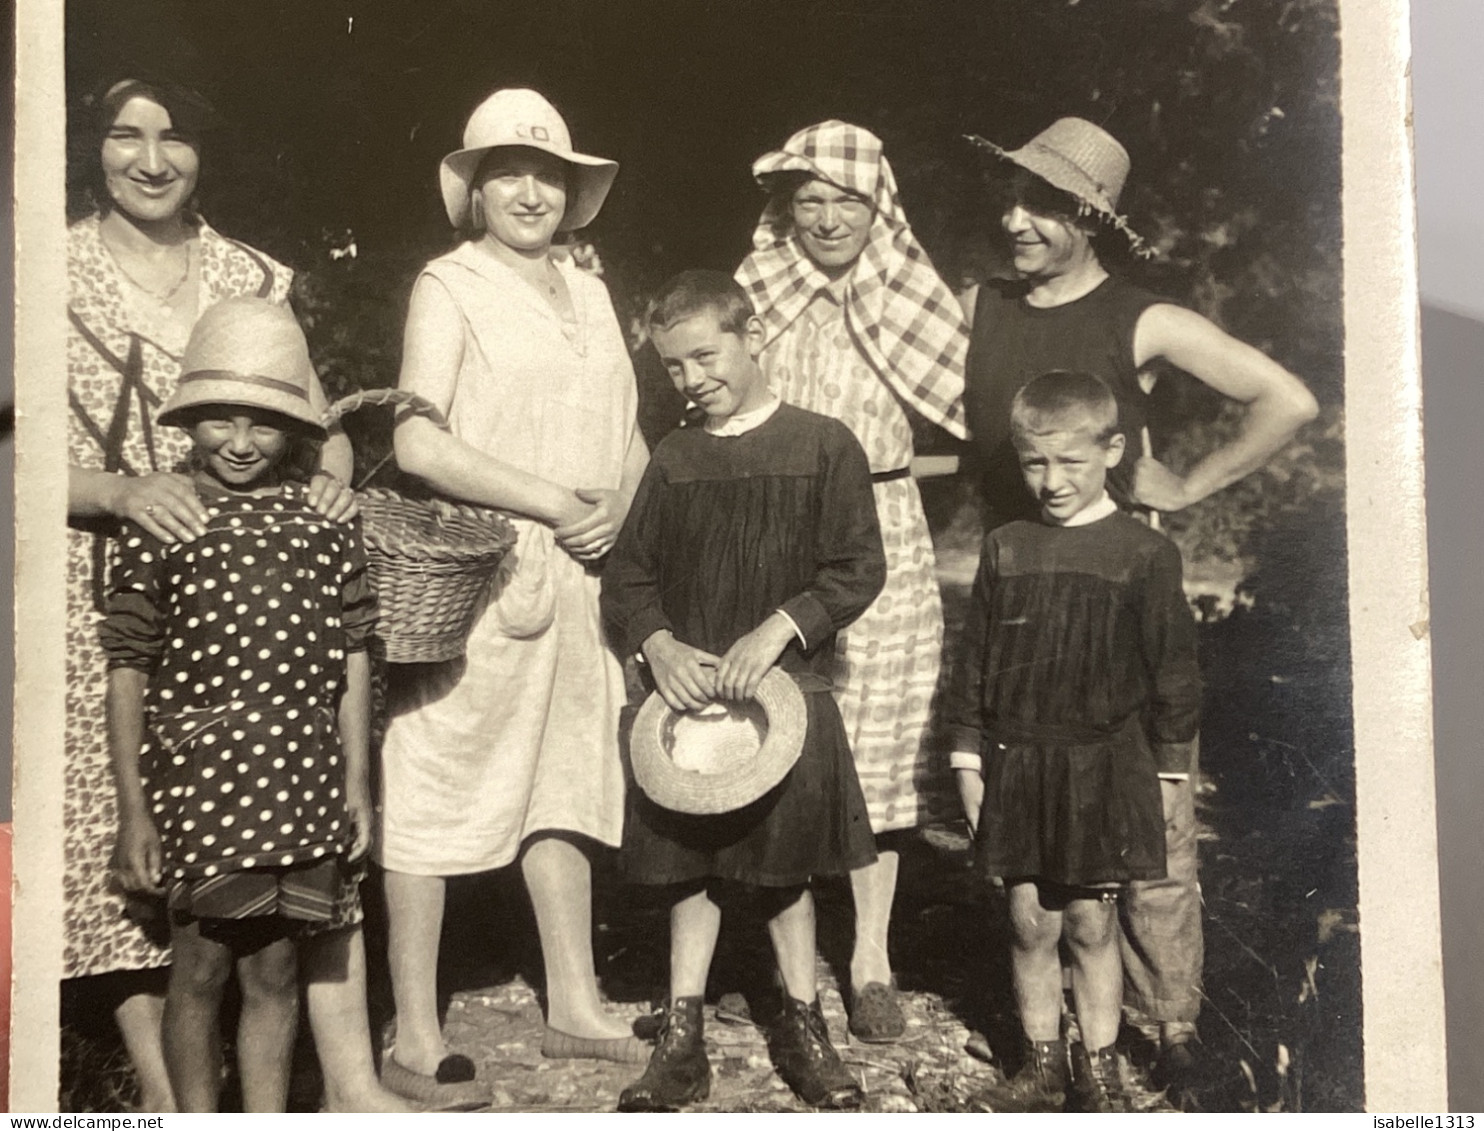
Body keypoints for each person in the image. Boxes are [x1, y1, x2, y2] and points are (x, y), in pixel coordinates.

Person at [959, 117, 1320, 1087]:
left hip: (1120, 607)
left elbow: (1285, 399)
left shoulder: (1140, 319)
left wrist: (1190, 485)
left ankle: (1169, 1032)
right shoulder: (976, 308)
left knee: (1149, 834)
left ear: (1088, 217)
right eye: (1010, 199)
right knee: (1036, 839)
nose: (1015, 220)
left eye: (1040, 204)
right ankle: (1060, 1043)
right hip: (1020, 609)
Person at [65, 76, 354, 1110]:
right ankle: (164, 1093)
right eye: (123, 135)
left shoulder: (252, 276)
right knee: (167, 922)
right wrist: (116, 490)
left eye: (173, 135)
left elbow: (315, 425)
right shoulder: (42, 267)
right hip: (111, 609)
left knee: (267, 952)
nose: (149, 158)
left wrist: (329, 490)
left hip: (275, 705)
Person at [376, 88, 649, 1106]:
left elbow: (627, 426)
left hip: (588, 569)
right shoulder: (447, 285)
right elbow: (416, 436)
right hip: (486, 564)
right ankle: (410, 1026)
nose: (530, 190)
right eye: (506, 172)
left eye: (548, 173)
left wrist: (620, 505)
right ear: (474, 190)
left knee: (566, 776)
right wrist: (549, 501)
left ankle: (572, 1004)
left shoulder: (590, 287)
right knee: (438, 772)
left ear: (573, 192)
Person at [102, 298, 406, 1112]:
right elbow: (127, 668)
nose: (240, 443)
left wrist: (357, 785)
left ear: (295, 433)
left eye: (265, 425)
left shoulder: (323, 523)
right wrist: (135, 809)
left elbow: (351, 660)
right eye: (220, 422)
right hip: (204, 784)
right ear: (191, 419)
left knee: (274, 970)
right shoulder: (164, 522)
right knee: (199, 969)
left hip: (300, 781)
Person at [602, 271, 885, 1112]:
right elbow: (628, 576)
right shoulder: (676, 458)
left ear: (751, 334)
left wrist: (779, 629)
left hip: (784, 691)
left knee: (781, 866)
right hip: (691, 699)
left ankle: (804, 1024)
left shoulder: (824, 444)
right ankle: (683, 1036)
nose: (691, 378)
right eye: (673, 366)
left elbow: (856, 568)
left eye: (705, 354)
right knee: (690, 860)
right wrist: (659, 643)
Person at [736, 120, 968, 1041]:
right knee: (782, 725)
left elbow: (967, 417)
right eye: (811, 199)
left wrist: (899, 484)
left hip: (885, 531)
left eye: (847, 200)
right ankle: (789, 971)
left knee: (881, 738)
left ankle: (870, 958)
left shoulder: (913, 294)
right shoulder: (757, 288)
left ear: (880, 205)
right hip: (776, 528)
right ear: (785, 206)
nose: (829, 218)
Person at [946, 371, 1202, 1113]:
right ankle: (1042, 1061)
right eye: (1035, 463)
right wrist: (967, 754)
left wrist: (1168, 773)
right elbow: (976, 662)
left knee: (1092, 920)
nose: (1051, 481)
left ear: (1112, 450)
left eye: (1071, 463)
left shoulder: (1143, 553)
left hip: (1104, 765)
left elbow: (1174, 675)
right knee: (1030, 918)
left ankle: (1098, 1064)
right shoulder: (1006, 547)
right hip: (1019, 760)